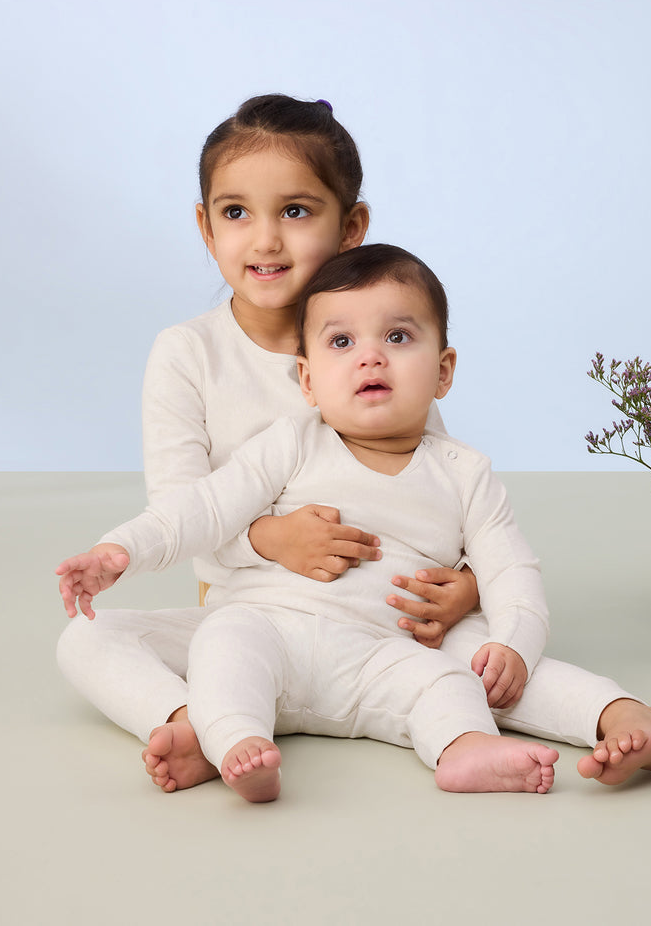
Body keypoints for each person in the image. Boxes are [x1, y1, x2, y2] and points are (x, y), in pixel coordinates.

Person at [57, 244, 651, 803]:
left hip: (400, 645)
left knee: (478, 672)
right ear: (306, 378)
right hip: (270, 627)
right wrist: (120, 551)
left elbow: (511, 570)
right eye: (341, 342)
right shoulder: (291, 442)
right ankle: (223, 737)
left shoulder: (463, 471)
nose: (370, 358)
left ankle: (603, 723)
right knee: (125, 639)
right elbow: (202, 508)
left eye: (397, 337)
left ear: (443, 370)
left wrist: (515, 646)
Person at [55, 96, 480, 793]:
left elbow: (437, 485)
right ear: (205, 224)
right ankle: (200, 720)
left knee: (499, 651)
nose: (264, 241)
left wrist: (466, 581)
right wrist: (268, 539)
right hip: (250, 627)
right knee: (89, 640)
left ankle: (595, 719)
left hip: (375, 623)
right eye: (235, 212)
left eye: (296, 211)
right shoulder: (187, 353)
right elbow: (183, 508)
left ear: (352, 227)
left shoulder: (377, 354)